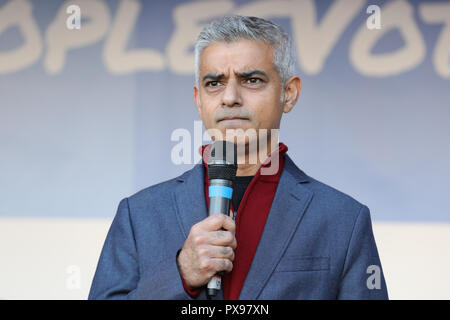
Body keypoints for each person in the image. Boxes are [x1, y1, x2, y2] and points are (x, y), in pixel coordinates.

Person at [88, 15, 388, 300]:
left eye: (252, 80)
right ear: (198, 99)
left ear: (290, 93)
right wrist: (181, 274)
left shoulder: (342, 220)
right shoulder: (139, 215)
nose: (230, 97)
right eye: (214, 83)